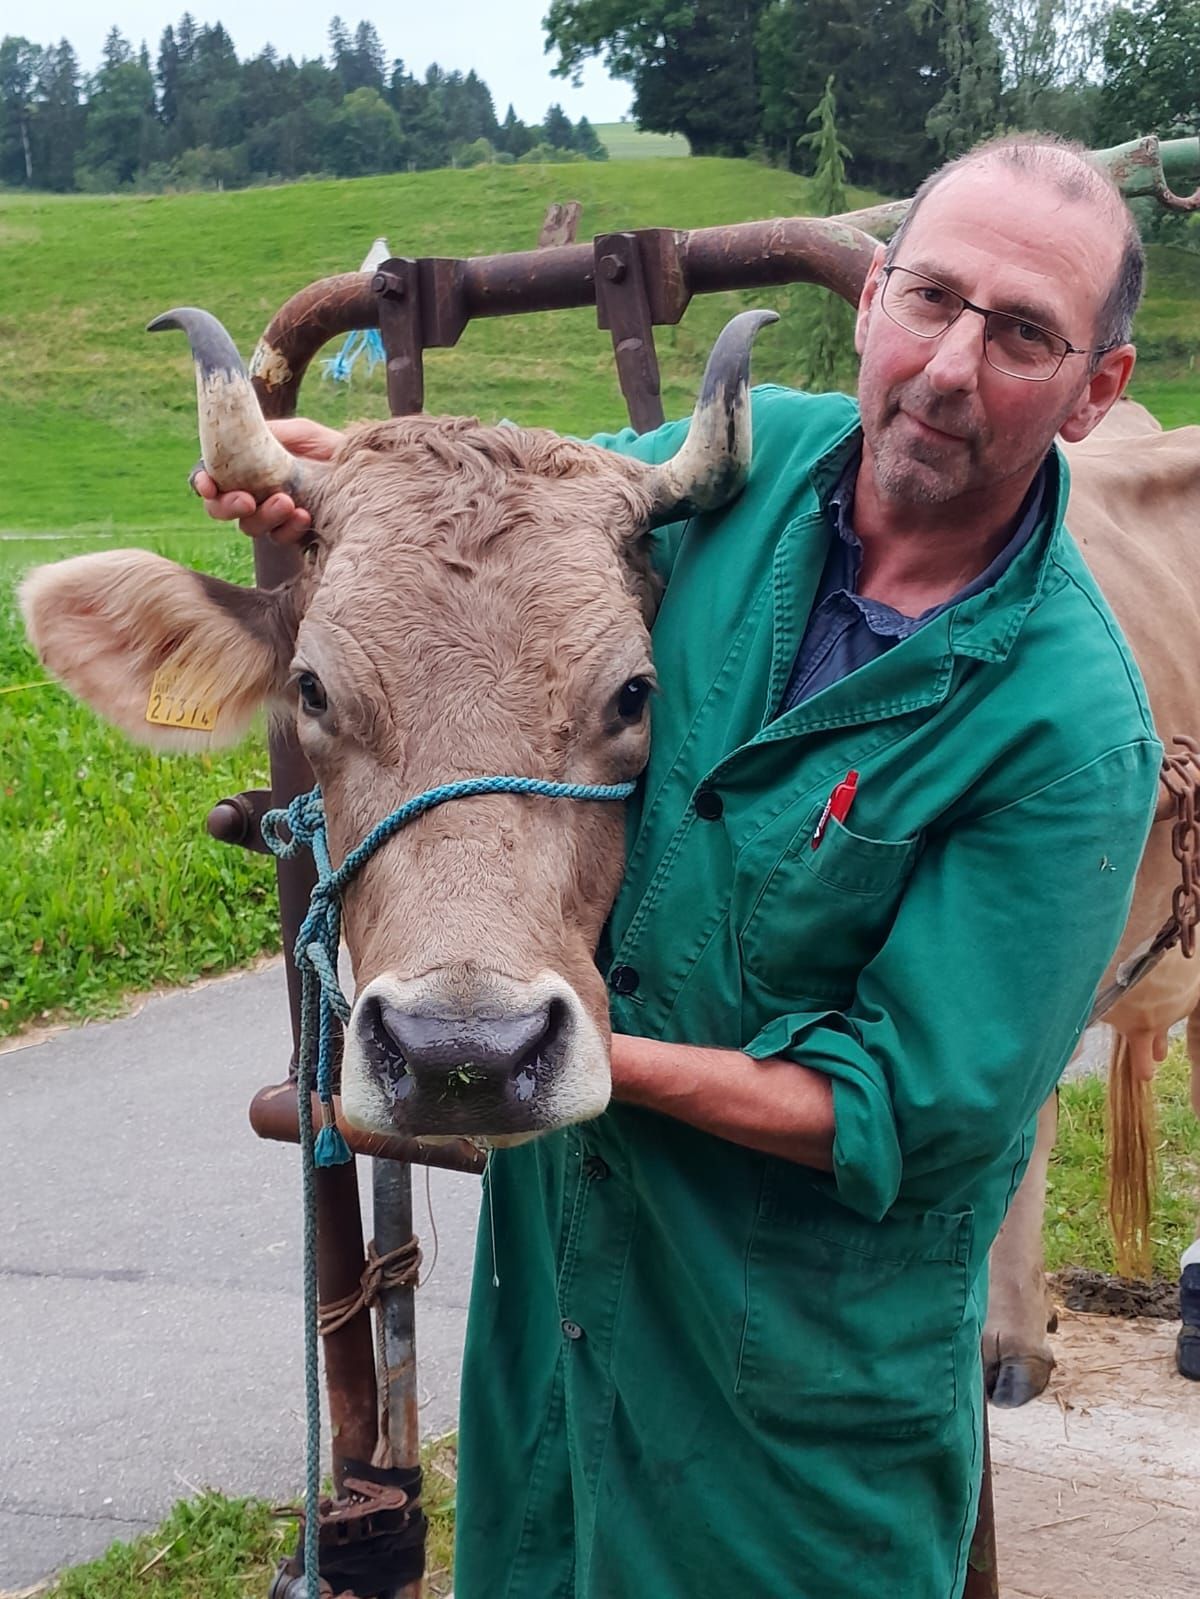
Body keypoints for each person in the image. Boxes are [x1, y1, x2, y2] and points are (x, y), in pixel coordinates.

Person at [199, 134, 1161, 1597]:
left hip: (794, 1407)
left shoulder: (1073, 730)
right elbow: (513, 497)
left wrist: (554, 1049)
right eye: (930, 298)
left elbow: (906, 1112)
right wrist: (350, 478)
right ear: (873, 300)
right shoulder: (738, 473)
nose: (952, 366)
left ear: (1098, 387)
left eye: (1024, 333)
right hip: (555, 1336)